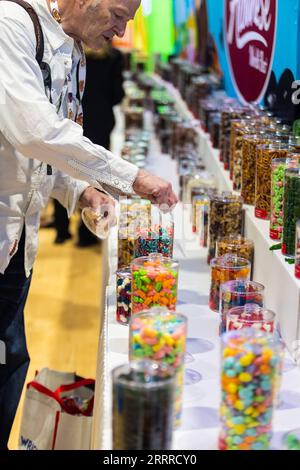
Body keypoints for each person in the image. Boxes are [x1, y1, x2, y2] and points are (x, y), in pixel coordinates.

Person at [0, 0, 178, 449]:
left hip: (17, 244)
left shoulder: (71, 46)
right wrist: (129, 177)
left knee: (11, 360)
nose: (120, 32)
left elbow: (41, 154)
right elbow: (34, 131)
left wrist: (81, 191)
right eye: (118, 15)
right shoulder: (9, 23)